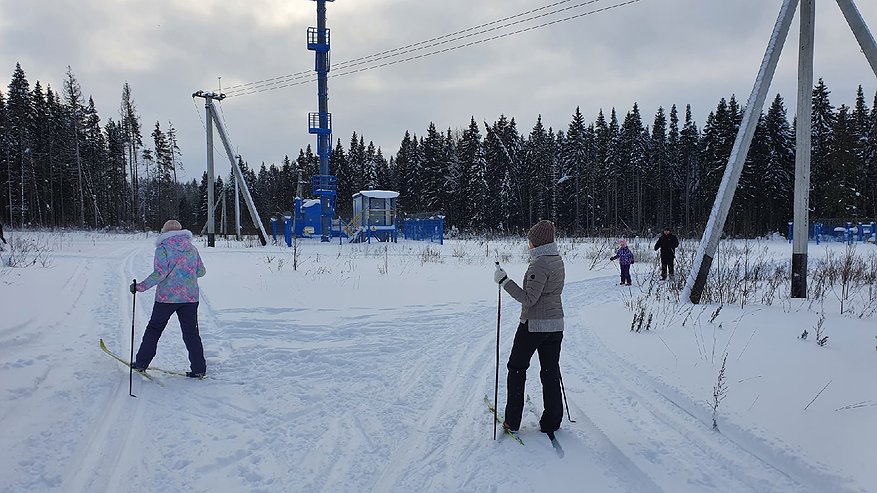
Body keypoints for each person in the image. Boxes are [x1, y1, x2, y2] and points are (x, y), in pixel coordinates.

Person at [494, 220, 565, 437]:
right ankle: (552, 421)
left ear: (538, 242)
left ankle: (512, 421)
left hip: (534, 325)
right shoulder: (556, 259)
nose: (528, 243)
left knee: (516, 368)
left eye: (530, 240)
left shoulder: (540, 264)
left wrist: (504, 281)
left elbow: (529, 299)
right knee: (550, 371)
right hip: (556, 325)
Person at [131, 220, 207, 378]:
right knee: (191, 332)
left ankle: (141, 364)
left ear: (164, 232)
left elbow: (160, 273)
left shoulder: (163, 248)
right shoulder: (192, 248)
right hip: (190, 298)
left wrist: (140, 287)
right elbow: (201, 272)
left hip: (167, 298)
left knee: (154, 329)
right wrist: (186, 274)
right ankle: (199, 368)